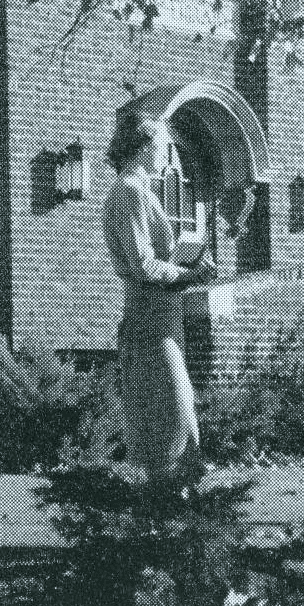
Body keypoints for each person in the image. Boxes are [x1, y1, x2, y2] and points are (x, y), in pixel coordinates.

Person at [102, 110, 219, 481]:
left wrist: (190, 266)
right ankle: (166, 499)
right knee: (166, 415)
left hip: (164, 315)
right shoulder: (129, 192)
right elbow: (143, 264)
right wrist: (191, 274)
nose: (166, 152)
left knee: (173, 414)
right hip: (150, 316)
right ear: (142, 147)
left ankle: (174, 499)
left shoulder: (138, 191)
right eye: (162, 145)